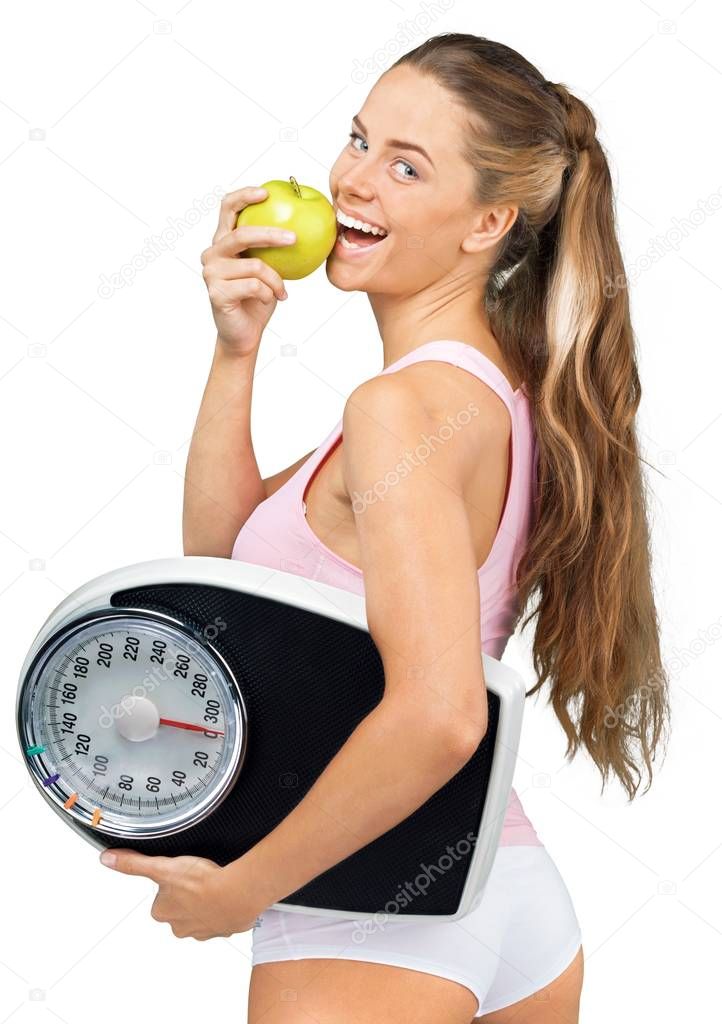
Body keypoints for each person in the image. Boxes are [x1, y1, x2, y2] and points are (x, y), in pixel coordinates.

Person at [182, 31, 670, 1024]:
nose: (352, 182)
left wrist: (243, 884)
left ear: (488, 220)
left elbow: (442, 714)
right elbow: (226, 572)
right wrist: (237, 355)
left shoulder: (403, 411)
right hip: (505, 893)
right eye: (358, 140)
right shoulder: (482, 390)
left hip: (371, 910)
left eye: (406, 166)